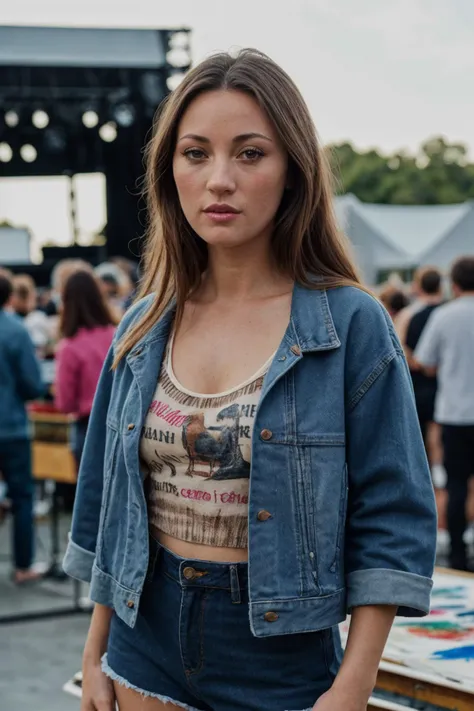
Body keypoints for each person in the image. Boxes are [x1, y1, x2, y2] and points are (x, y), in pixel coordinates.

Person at [63, 49, 437, 711]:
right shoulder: (144, 324)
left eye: (250, 153)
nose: (219, 180)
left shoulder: (350, 324)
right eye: (195, 152)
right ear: (168, 168)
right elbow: (106, 497)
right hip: (141, 637)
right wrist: (93, 653)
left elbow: (394, 516)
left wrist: (352, 686)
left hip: (281, 655)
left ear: (293, 168)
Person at [415, 256, 474, 572]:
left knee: (456, 484)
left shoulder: (444, 316)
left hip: (454, 411)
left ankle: (458, 553)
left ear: (454, 284)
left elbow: (426, 360)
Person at [0, 269, 45, 583]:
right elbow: (32, 384)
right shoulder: (15, 330)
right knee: (23, 496)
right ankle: (23, 566)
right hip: (11, 424)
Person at [54, 270, 116, 469]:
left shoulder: (69, 347)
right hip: (123, 421)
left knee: (91, 495)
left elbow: (65, 403)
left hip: (88, 427)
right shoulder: (118, 335)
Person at [404, 268, 444, 483]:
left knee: (421, 430)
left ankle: (427, 473)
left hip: (419, 383)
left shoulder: (412, 316)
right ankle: (438, 469)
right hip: (443, 384)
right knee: (436, 428)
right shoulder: (445, 312)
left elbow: (404, 350)